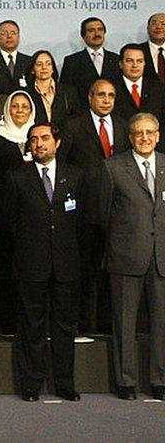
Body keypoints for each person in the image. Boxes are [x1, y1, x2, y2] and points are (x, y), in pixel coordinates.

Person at [0, 122, 83, 402]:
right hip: (30, 262)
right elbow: (10, 223)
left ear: (57, 143)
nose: (39, 144)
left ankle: (64, 384)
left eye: (45, 138)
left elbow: (82, 221)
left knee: (63, 327)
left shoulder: (74, 176)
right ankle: (31, 384)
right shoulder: (16, 177)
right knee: (31, 327)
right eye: (33, 139)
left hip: (66, 263)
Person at [99, 112, 165, 401]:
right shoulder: (112, 167)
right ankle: (126, 381)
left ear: (158, 135)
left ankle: (159, 379)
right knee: (124, 323)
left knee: (162, 322)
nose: (145, 137)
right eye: (139, 133)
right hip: (126, 256)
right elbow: (103, 215)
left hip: (162, 257)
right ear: (130, 137)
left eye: (150, 132)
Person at [60, 79, 129, 335]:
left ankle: (106, 323)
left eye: (111, 95)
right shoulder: (73, 125)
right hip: (85, 211)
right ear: (90, 97)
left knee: (113, 270)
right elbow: (63, 167)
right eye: (101, 95)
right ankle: (81, 323)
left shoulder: (124, 126)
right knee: (85, 270)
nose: (107, 100)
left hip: (119, 211)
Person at [0, 91, 36, 334]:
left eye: (25, 106)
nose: (21, 110)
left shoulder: (39, 135)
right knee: (6, 270)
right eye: (15, 106)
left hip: (34, 216)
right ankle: (9, 326)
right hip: (4, 215)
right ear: (7, 109)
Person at [61, 17, 121, 107]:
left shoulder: (117, 60)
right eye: (91, 30)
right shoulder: (72, 61)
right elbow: (66, 92)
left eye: (100, 29)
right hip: (82, 114)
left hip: (113, 114)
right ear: (83, 36)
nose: (97, 34)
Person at [20, 50, 80, 126]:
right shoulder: (25, 94)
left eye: (48, 64)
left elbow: (76, 119)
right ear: (32, 70)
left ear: (53, 69)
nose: (44, 67)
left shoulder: (68, 92)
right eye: (39, 64)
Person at [114, 43, 165, 126]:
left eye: (139, 61)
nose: (135, 65)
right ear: (120, 64)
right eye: (129, 61)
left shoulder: (158, 88)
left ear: (144, 63)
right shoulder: (111, 88)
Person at [0, 20, 31, 95]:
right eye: (4, 33)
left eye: (13, 33)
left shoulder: (30, 61)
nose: (9, 36)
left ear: (18, 37)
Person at [141, 13, 165, 82]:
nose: (159, 27)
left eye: (163, 24)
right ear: (148, 28)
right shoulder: (138, 50)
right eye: (154, 24)